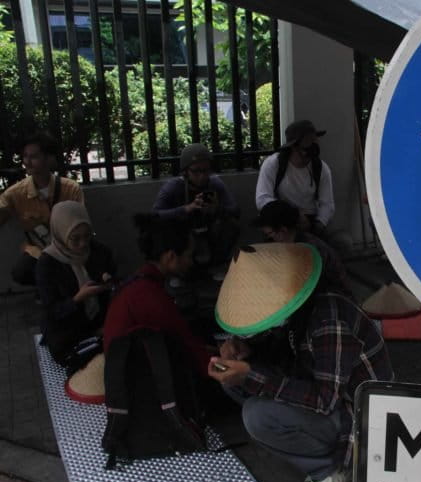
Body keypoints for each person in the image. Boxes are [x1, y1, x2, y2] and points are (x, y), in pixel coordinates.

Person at [209, 243, 394, 482]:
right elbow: (289, 357)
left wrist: (251, 374)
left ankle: (330, 468)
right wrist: (246, 352)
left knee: (256, 414)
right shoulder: (297, 312)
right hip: (325, 392)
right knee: (233, 383)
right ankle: (309, 445)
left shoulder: (329, 321)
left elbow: (325, 400)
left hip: (360, 416)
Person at [102, 214, 210, 378]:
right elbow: (188, 347)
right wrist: (223, 367)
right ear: (171, 257)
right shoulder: (148, 294)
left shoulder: (141, 279)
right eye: (189, 255)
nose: (191, 262)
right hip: (130, 380)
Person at [36, 201, 116, 367]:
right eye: (75, 239)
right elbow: (52, 310)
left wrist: (108, 279)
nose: (83, 244)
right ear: (60, 234)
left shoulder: (99, 251)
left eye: (87, 236)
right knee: (70, 355)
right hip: (67, 326)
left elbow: (112, 279)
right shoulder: (47, 263)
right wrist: (77, 299)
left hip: (97, 320)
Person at [0, 132, 83, 286]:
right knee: (21, 272)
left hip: (68, 248)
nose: (27, 162)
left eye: (34, 157)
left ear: (49, 159)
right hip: (38, 251)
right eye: (25, 156)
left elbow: (80, 224)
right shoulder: (16, 193)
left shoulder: (70, 188)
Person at [153, 143, 240, 273]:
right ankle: (179, 272)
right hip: (184, 232)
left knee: (231, 226)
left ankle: (216, 265)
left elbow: (235, 210)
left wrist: (217, 209)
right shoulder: (173, 187)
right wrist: (187, 209)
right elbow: (155, 215)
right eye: (196, 171)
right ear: (185, 171)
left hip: (209, 232)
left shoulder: (214, 183)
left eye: (206, 170)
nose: (202, 176)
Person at [255, 120, 335, 237]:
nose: (312, 149)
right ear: (293, 146)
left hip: (311, 220)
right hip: (281, 219)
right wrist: (293, 214)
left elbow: (327, 204)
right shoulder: (274, 164)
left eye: (314, 142)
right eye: (307, 145)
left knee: (339, 243)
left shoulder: (321, 168)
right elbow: (262, 199)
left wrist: (319, 224)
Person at [256, 199, 351, 296]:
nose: (270, 239)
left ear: (283, 231)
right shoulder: (295, 242)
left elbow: (302, 289)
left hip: (333, 297)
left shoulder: (306, 251)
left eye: (270, 234)